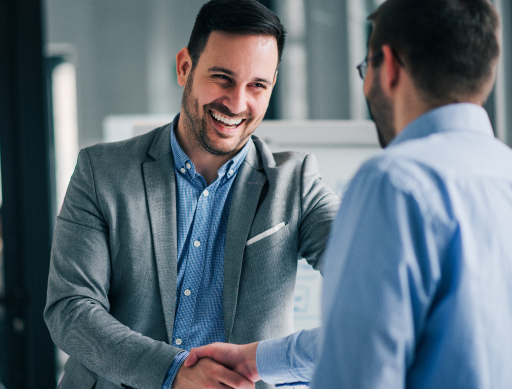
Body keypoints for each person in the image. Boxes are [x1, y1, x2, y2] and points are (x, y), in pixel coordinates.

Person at [185, 0, 512, 387]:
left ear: (388, 66)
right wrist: (259, 359)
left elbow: (360, 370)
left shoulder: (395, 182)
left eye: (365, 68)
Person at [43, 1, 340, 388]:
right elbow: (71, 309)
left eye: (257, 86)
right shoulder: (102, 173)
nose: (236, 103)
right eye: (222, 78)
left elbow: (376, 281)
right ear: (185, 67)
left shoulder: (296, 184)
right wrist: (173, 372)